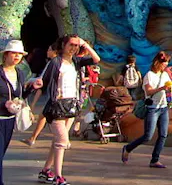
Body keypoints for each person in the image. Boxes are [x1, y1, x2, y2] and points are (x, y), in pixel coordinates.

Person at [38, 35, 100, 185]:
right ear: (63, 45)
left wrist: (85, 44)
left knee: (57, 141)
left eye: (76, 45)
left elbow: (96, 60)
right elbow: (43, 81)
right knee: (62, 141)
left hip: (71, 105)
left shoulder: (76, 62)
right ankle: (58, 176)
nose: (73, 48)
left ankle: (46, 171)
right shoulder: (55, 62)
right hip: (57, 105)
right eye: (71, 44)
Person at [1, 40, 42, 185]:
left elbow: (21, 96)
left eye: (20, 54)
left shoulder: (19, 73)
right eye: (14, 53)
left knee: (2, 152)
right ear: (6, 55)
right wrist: (3, 103)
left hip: (10, 119)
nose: (17, 56)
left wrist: (32, 88)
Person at [121, 51, 172, 169]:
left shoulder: (164, 75)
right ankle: (128, 148)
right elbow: (148, 91)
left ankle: (155, 159)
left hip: (163, 107)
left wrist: (170, 91)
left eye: (167, 64)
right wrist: (162, 88)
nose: (165, 66)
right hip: (153, 108)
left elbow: (169, 88)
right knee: (148, 136)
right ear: (157, 62)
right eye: (164, 63)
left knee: (163, 134)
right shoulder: (149, 75)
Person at [23, 42, 59, 146]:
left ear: (55, 52)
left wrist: (29, 81)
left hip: (54, 95)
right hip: (59, 95)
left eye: (49, 50)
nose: (47, 52)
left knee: (44, 116)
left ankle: (33, 138)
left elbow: (41, 79)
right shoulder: (62, 62)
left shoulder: (53, 63)